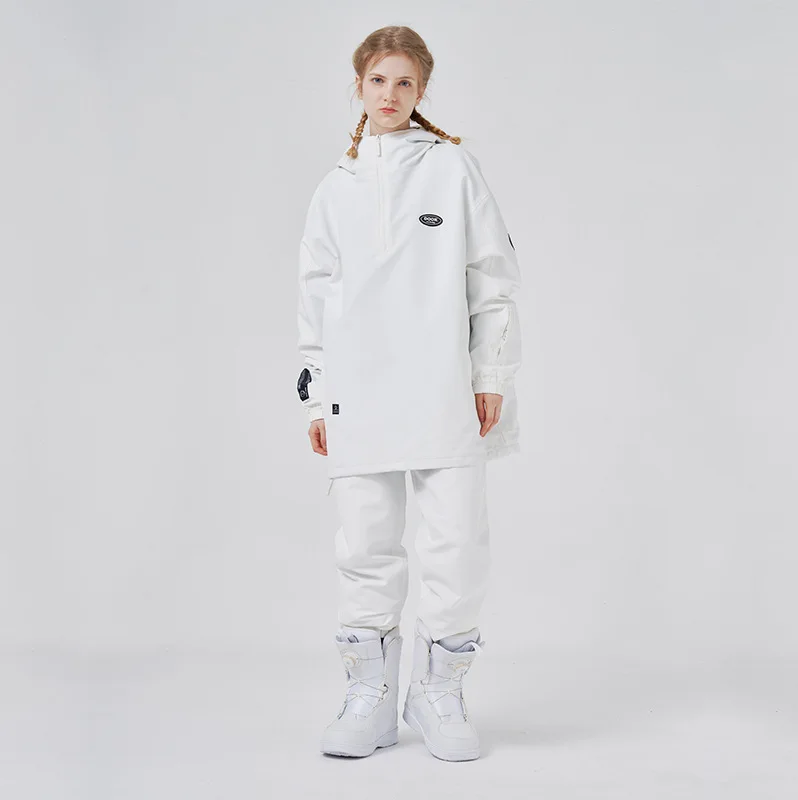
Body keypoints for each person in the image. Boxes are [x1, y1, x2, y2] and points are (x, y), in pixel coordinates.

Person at [296, 26, 522, 762]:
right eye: (377, 81)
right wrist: (316, 395)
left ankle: (439, 693)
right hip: (357, 390)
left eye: (403, 83)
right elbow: (315, 296)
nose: (389, 95)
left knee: (456, 544)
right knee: (364, 544)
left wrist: (490, 375)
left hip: (442, 386)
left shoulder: (452, 169)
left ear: (421, 91)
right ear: (358, 87)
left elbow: (492, 278)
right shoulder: (336, 187)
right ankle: (370, 697)